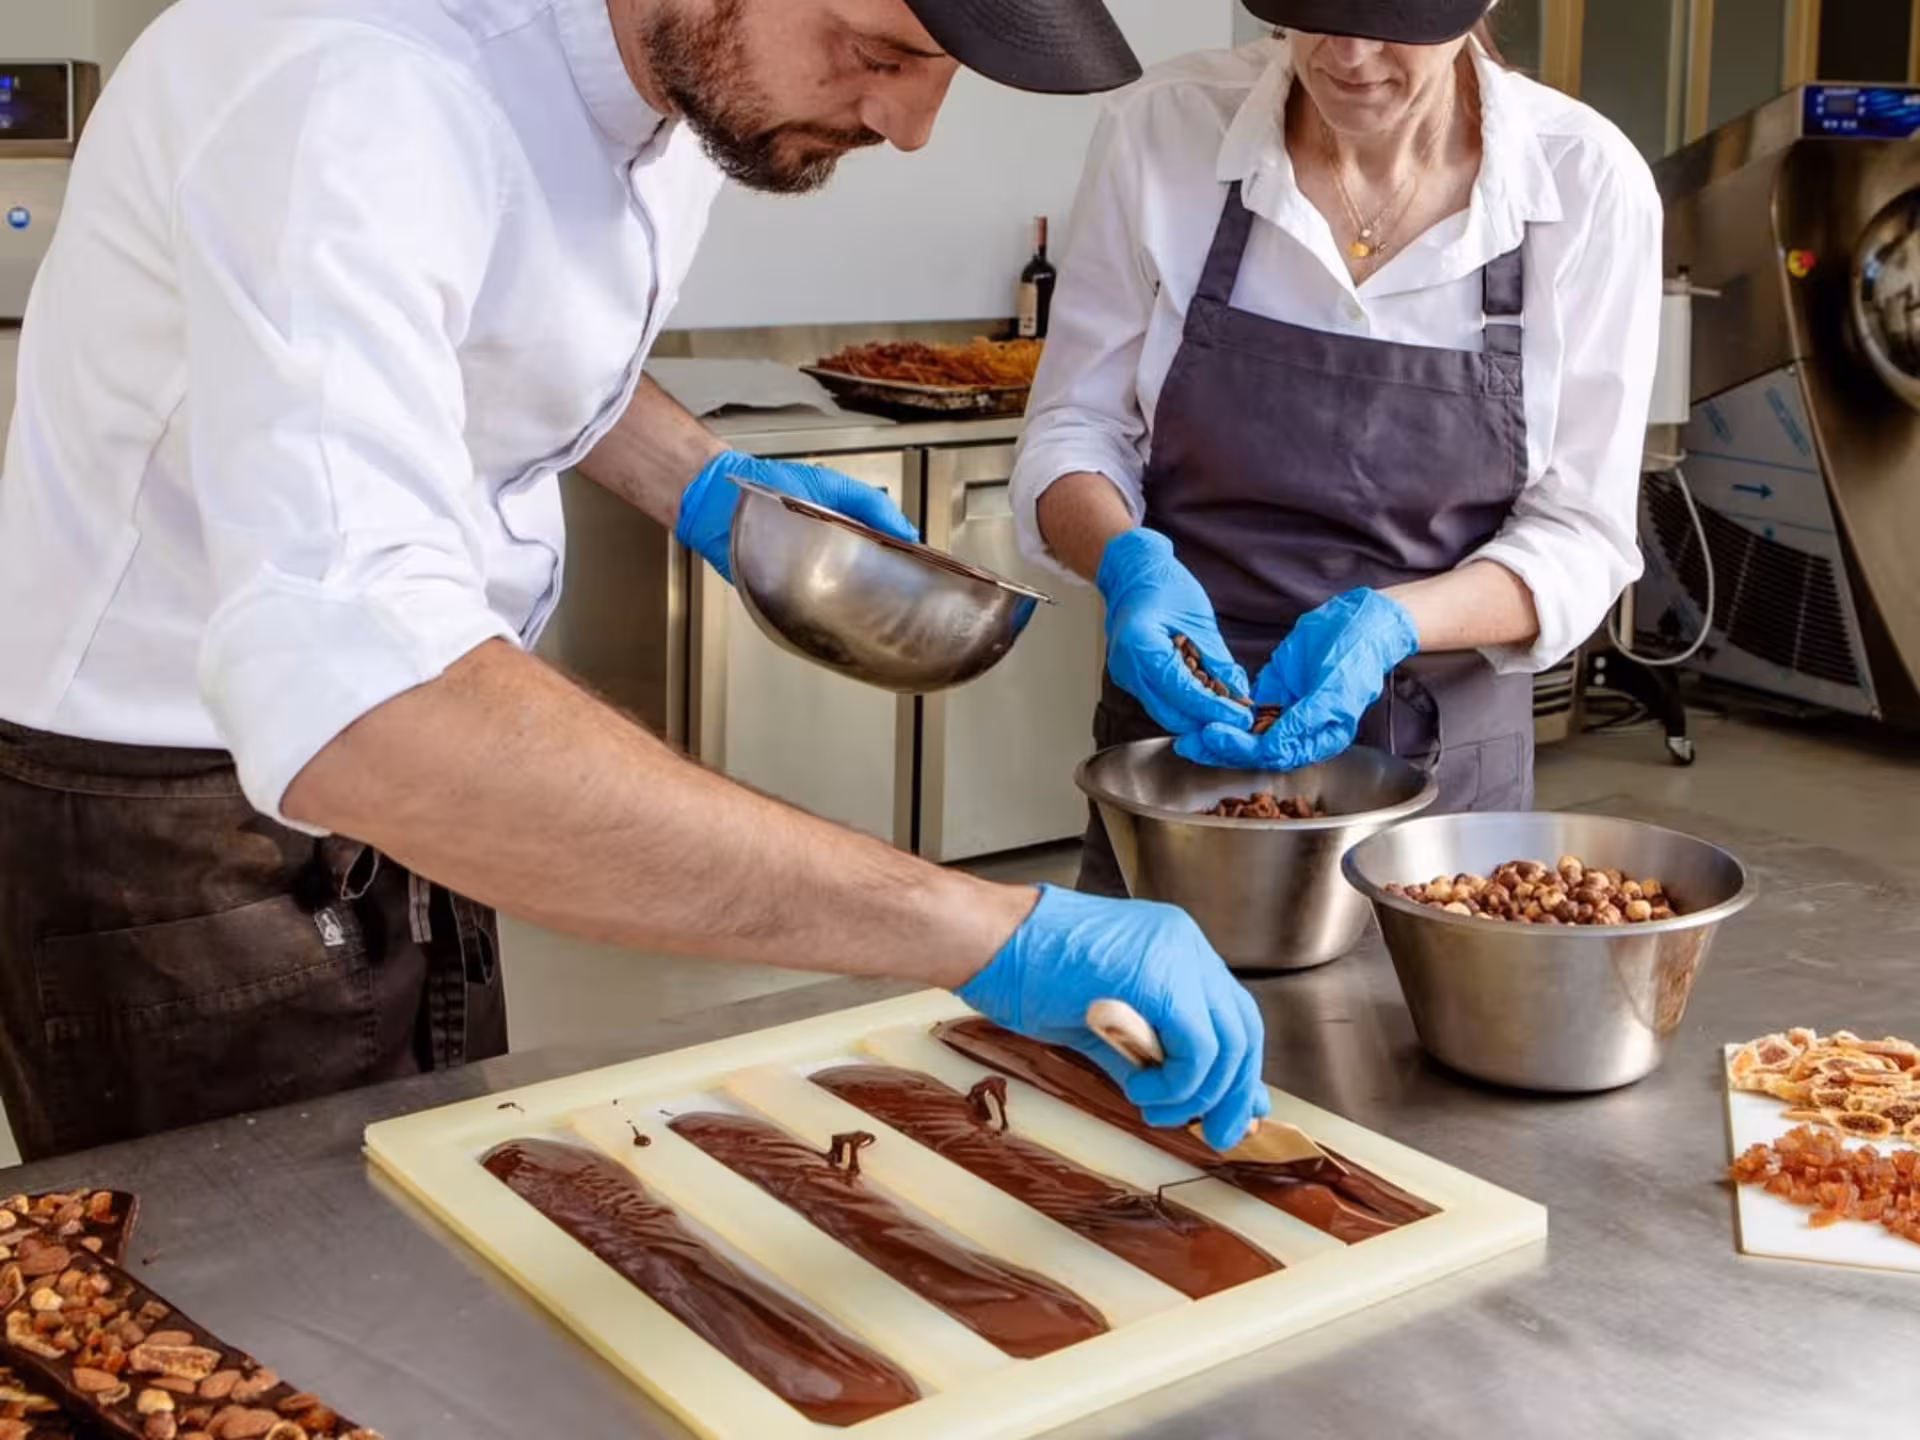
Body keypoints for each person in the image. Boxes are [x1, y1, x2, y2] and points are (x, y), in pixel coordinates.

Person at [0, 0, 1269, 1161]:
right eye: (878, 51)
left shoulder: (672, 84)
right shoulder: (350, 90)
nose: (910, 125)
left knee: (437, 1213)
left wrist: (705, 484)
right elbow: (364, 704)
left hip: (409, 791)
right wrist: (982, 932)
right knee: (265, 1349)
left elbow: (496, 337)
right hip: (176, 824)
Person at [1012, 0, 1663, 899]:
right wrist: (1127, 566)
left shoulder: (1587, 185)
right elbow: (1074, 428)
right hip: (1177, 749)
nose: (1347, 55)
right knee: (1131, 1032)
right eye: (1309, 10)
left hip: (1441, 779)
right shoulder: (1164, 130)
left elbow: (1583, 534)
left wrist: (1395, 623)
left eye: (1390, 14)